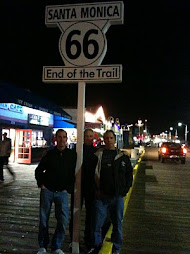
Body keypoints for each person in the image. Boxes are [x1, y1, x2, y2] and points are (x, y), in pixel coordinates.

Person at [88, 130, 133, 254]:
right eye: (106, 138)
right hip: (101, 197)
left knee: (117, 224)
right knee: (96, 224)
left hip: (117, 197)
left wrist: (124, 190)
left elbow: (129, 175)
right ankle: (96, 246)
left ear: (115, 140)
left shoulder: (122, 157)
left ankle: (116, 248)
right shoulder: (98, 156)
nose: (109, 140)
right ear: (104, 140)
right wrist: (95, 190)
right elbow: (90, 175)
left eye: (111, 138)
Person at [35, 129, 77, 254]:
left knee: (63, 220)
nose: (62, 139)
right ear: (56, 138)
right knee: (43, 219)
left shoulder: (72, 155)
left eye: (64, 137)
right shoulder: (49, 154)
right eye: (59, 137)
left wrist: (68, 187)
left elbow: (74, 173)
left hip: (62, 192)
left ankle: (56, 246)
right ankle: (42, 246)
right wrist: (41, 184)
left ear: (67, 139)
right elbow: (39, 170)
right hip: (47, 190)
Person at [69, 129, 98, 251]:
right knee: (75, 213)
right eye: (86, 136)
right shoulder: (75, 150)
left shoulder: (96, 151)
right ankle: (73, 240)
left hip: (91, 187)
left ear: (93, 137)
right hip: (77, 186)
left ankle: (89, 241)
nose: (88, 138)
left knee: (91, 216)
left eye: (91, 136)